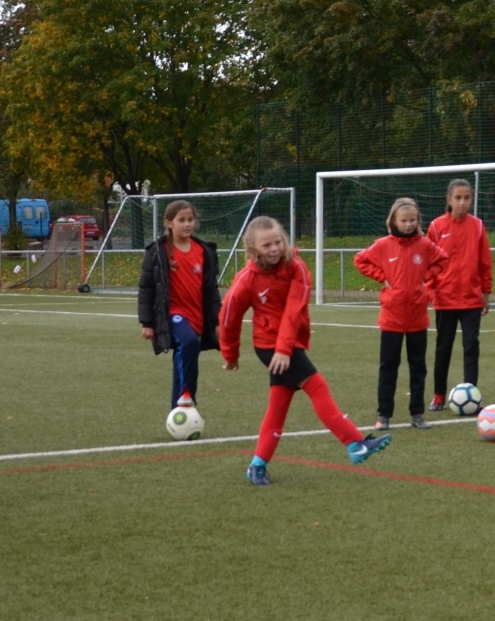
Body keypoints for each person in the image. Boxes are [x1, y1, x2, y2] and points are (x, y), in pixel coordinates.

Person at [219, 217, 390, 485]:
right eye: (266, 245)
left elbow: (293, 310)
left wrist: (285, 348)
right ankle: (355, 443)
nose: (274, 248)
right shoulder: (247, 279)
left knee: (277, 408)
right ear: (252, 249)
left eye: (278, 242)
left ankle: (257, 466)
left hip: (287, 346)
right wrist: (231, 355)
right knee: (317, 387)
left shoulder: (296, 266)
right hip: (269, 347)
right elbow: (229, 316)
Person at [354, 197, 447, 430]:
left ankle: (417, 414)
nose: (408, 224)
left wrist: (426, 281)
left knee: (418, 369)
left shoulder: (425, 245)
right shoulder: (383, 245)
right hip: (391, 318)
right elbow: (360, 260)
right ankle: (384, 415)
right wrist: (381, 277)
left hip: (417, 318)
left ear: (418, 221)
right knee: (388, 368)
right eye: (404, 220)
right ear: (394, 221)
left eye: (412, 220)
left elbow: (443, 260)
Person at [136, 200, 223, 411]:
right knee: (188, 342)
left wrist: (217, 321)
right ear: (169, 223)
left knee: (189, 354)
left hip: (197, 317)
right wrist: (147, 323)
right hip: (172, 315)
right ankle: (184, 399)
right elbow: (146, 288)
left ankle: (183, 403)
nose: (187, 224)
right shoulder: (158, 251)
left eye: (190, 219)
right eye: (181, 220)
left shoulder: (204, 251)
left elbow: (211, 290)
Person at [426, 178, 493, 412]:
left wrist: (486, 291)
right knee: (443, 348)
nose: (463, 202)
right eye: (458, 198)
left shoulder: (478, 226)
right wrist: (430, 288)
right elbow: (428, 262)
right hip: (445, 299)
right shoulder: (436, 227)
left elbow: (485, 261)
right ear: (449, 199)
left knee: (471, 346)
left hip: (471, 299)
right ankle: (438, 395)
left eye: (467, 198)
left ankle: (471, 394)